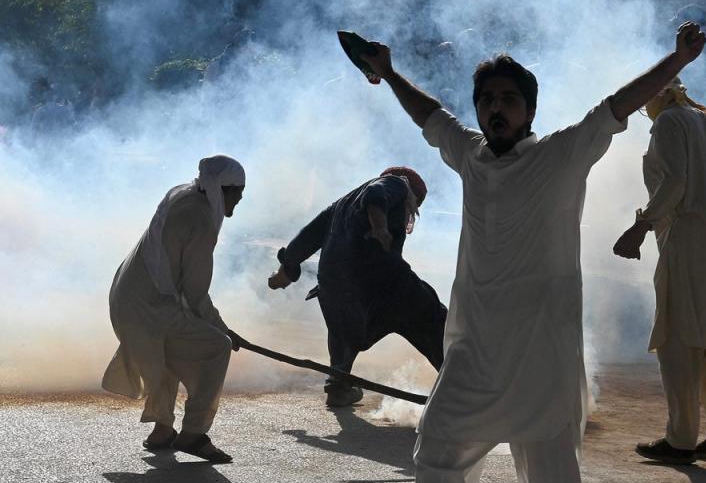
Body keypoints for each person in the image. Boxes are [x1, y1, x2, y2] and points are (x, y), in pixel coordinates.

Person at [357, 23, 706, 483]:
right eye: (488, 100)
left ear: (530, 111)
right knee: (437, 450)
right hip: (475, 350)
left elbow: (617, 105)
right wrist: (389, 74)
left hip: (541, 352)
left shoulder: (560, 154)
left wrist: (677, 62)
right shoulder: (470, 154)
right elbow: (429, 115)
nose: (496, 108)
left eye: (508, 99)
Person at [613, 77, 706, 465]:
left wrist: (640, 227)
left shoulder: (670, 123)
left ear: (659, 96)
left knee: (678, 339)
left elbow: (675, 181)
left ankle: (680, 439)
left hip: (690, 241)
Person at [102, 155, 248, 463]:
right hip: (148, 307)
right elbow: (195, 294)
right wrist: (224, 330)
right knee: (216, 347)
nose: (240, 199)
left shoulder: (182, 195)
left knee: (168, 348)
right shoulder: (202, 220)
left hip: (125, 299)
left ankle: (162, 430)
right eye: (239, 192)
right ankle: (193, 433)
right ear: (225, 190)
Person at [268, 167, 448, 407]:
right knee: (435, 320)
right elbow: (376, 192)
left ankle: (339, 385)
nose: (413, 210)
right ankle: (462, 387)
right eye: (417, 201)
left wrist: (286, 272)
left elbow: (306, 238)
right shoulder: (396, 183)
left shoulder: (339, 206)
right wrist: (380, 226)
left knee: (343, 334)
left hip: (335, 286)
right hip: (383, 279)